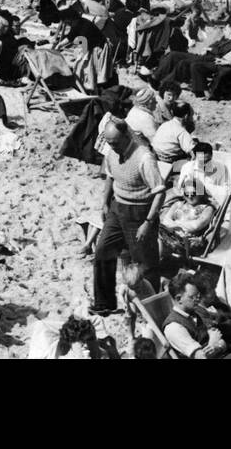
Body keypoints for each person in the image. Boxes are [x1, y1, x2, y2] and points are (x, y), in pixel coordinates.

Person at [90, 117, 167, 316]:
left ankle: (150, 310)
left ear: (126, 136)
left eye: (115, 142)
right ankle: (104, 303)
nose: (112, 147)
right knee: (102, 251)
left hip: (140, 212)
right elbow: (110, 175)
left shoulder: (144, 158)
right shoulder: (111, 152)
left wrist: (148, 223)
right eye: (109, 142)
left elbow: (160, 192)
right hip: (118, 207)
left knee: (144, 263)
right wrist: (105, 202)